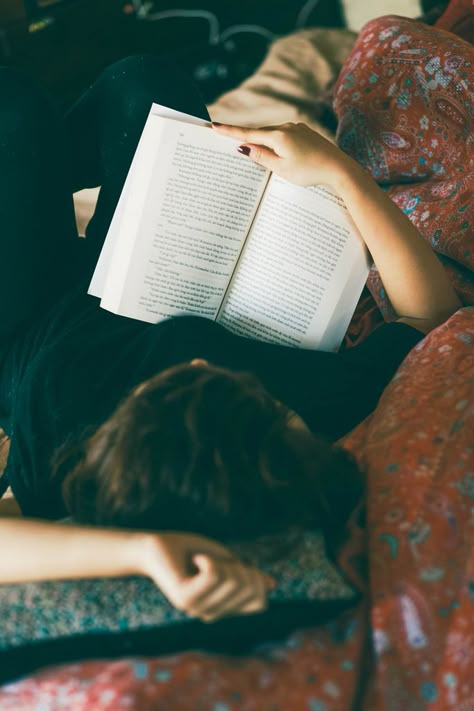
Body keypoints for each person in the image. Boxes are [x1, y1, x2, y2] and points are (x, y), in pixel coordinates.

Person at [0, 54, 460, 623]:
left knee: (15, 110)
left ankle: (31, 166)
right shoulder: (292, 414)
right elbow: (432, 316)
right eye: (223, 376)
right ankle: (40, 170)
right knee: (149, 83)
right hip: (153, 276)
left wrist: (143, 553)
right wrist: (340, 173)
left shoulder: (69, 468)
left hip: (30, 321)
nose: (194, 356)